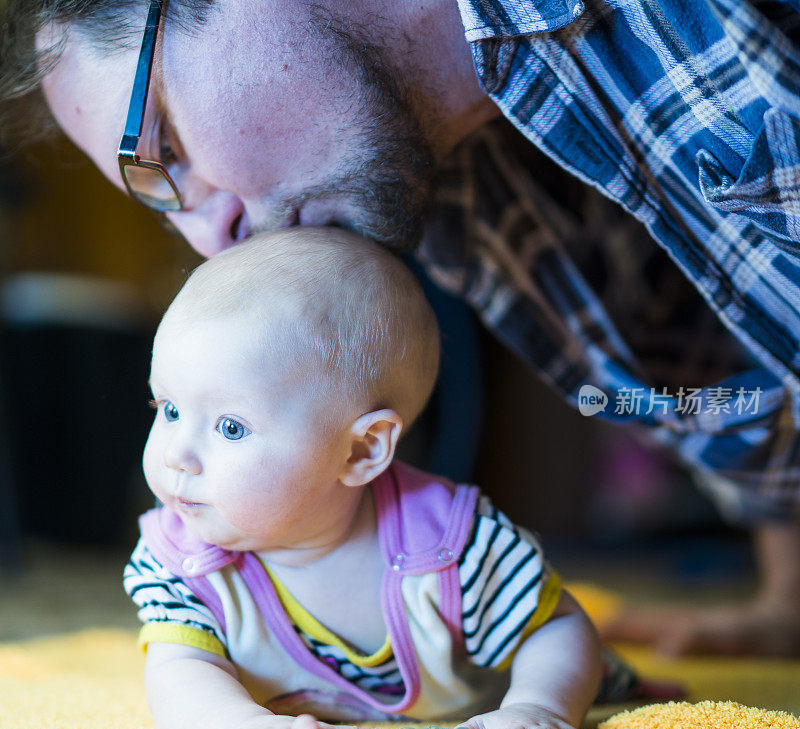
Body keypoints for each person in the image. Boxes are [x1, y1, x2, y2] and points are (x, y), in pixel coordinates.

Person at [4, 0, 800, 656]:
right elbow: (711, 374)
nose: (216, 240)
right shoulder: (450, 194)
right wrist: (786, 606)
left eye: (163, 151)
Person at [122, 227, 634, 729]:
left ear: (362, 449)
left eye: (230, 426)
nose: (176, 453)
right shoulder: (183, 561)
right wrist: (237, 723)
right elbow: (179, 672)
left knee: (604, 676)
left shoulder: (450, 548)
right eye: (168, 409)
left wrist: (539, 705)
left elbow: (555, 628)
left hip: (499, 690)